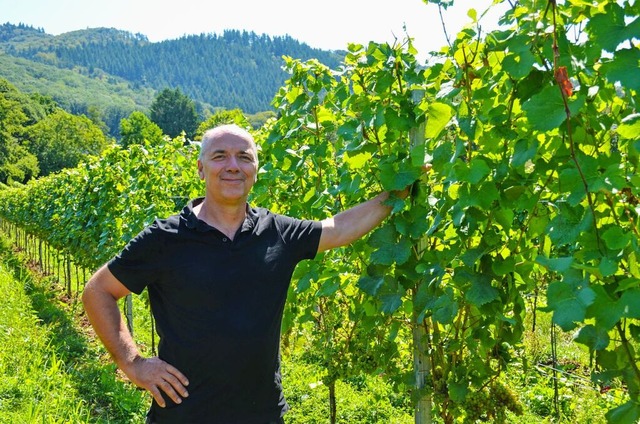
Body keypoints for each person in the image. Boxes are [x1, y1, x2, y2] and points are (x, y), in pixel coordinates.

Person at [82, 124, 414, 423]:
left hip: (262, 415)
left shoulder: (278, 233)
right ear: (200, 168)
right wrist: (133, 364)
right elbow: (98, 291)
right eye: (219, 156)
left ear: (255, 170)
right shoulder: (166, 238)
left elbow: (339, 228)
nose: (233, 166)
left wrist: (399, 191)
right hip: (183, 416)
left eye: (244, 157)